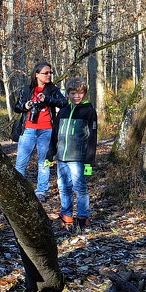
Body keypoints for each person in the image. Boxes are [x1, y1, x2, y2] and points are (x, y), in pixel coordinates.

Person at [48, 79, 98, 233]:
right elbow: (55, 133)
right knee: (63, 187)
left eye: (80, 93)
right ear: (68, 93)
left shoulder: (89, 111)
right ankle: (67, 215)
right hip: (62, 157)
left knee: (80, 188)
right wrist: (50, 153)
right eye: (73, 93)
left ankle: (83, 217)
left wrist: (89, 160)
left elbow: (92, 137)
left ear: (84, 93)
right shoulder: (63, 111)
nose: (77, 96)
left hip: (78, 158)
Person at [13, 62, 66, 202]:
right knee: (21, 163)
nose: (49, 75)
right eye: (46, 73)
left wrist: (47, 99)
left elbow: (64, 103)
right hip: (28, 129)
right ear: (37, 74)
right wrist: (26, 105)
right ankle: (19, 191)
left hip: (47, 129)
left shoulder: (53, 89)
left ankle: (41, 192)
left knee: (44, 162)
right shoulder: (26, 89)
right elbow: (17, 107)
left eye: (50, 73)